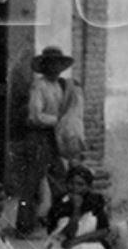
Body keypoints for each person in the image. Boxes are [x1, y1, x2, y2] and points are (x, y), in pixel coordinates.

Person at [13, 47, 79, 235]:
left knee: (59, 178)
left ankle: (58, 220)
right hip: (38, 136)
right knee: (32, 181)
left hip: (54, 137)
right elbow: (35, 115)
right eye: (51, 63)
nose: (55, 67)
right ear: (44, 66)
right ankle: (24, 225)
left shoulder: (60, 85)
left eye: (58, 63)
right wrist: (58, 120)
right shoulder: (38, 86)